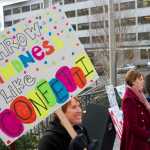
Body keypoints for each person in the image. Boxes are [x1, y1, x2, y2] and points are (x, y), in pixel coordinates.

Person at [120, 69, 150, 150]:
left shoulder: (140, 95)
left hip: (143, 141)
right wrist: (148, 135)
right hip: (136, 143)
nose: (143, 81)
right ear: (133, 81)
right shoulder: (129, 99)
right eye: (140, 79)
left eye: (143, 79)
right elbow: (133, 127)